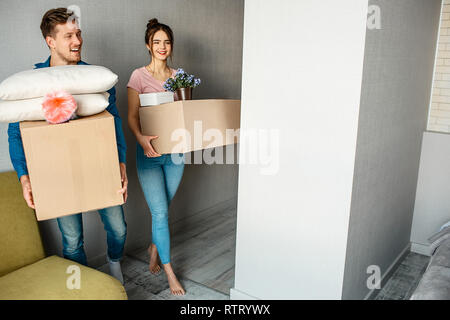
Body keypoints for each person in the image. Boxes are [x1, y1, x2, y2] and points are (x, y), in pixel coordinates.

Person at [7, 8, 128, 284]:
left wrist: (120, 162)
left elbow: (115, 122)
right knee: (72, 240)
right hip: (58, 173)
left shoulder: (96, 78)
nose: (77, 41)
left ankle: (113, 262)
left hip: (99, 166)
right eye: (69, 36)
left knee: (119, 229)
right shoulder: (34, 82)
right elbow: (16, 134)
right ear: (50, 41)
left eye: (79, 34)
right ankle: (80, 286)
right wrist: (24, 177)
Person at [127, 18, 186, 295]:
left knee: (163, 209)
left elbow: (184, 114)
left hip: (175, 154)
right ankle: (170, 271)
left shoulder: (179, 76)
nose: (162, 46)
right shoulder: (138, 76)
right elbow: (132, 116)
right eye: (157, 42)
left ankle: (154, 245)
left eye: (167, 41)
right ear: (148, 46)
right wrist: (140, 139)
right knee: (160, 212)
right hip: (149, 154)